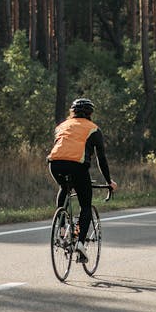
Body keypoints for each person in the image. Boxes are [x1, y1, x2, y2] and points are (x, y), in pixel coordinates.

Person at [48, 98, 117, 263]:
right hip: (77, 166)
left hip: (54, 164)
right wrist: (109, 181)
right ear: (90, 113)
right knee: (85, 205)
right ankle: (80, 243)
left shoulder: (61, 126)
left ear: (72, 112)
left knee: (64, 188)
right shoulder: (93, 129)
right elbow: (101, 159)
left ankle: (62, 227)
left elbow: (62, 146)